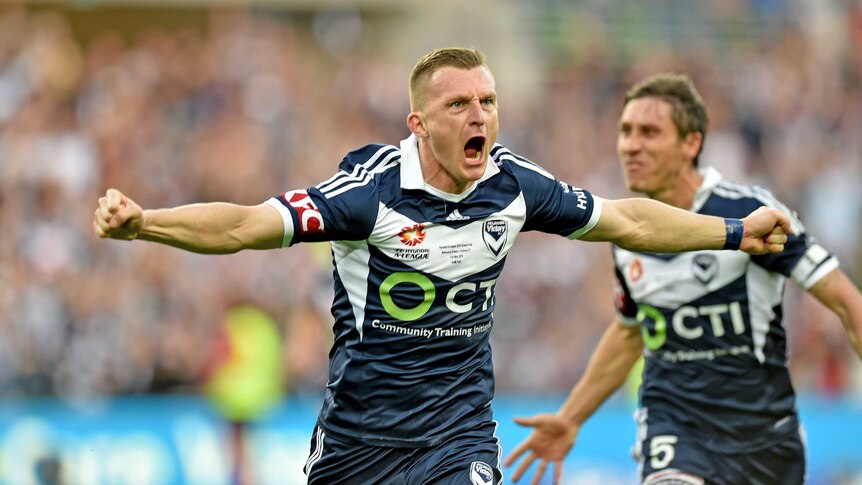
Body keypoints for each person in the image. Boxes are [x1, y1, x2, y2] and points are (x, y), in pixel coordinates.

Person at [94, 50, 792, 485]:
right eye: (458, 103)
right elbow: (247, 224)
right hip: (358, 440)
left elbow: (630, 218)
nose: (478, 115)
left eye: (487, 101)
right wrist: (147, 222)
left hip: (457, 430)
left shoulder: (513, 184)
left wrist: (733, 230)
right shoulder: (368, 192)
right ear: (419, 123)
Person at [504, 73, 862, 485]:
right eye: (625, 132)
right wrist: (570, 418)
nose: (631, 145)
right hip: (674, 427)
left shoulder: (749, 211)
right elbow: (631, 331)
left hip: (763, 439)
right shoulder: (628, 233)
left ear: (691, 143)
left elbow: (845, 301)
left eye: (649, 132)